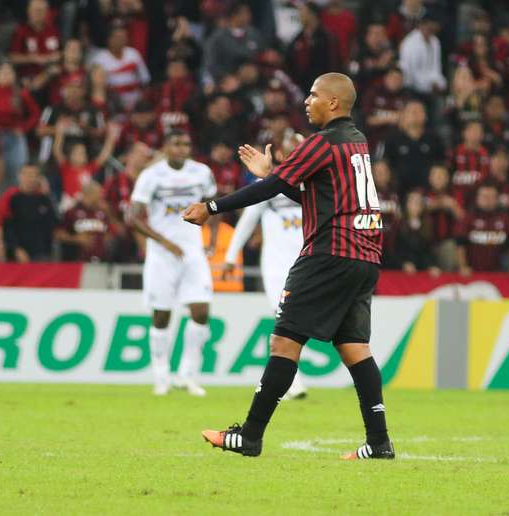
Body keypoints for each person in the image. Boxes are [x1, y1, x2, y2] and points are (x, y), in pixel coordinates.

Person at [183, 73, 394, 460]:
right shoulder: (357, 142)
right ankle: (378, 442)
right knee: (354, 347)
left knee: (284, 341)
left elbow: (268, 190)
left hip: (328, 254)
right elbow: (320, 198)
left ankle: (250, 435)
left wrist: (212, 208)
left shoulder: (323, 143)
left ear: (333, 102)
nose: (306, 101)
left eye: (313, 95)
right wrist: (275, 176)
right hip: (363, 256)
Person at [127, 129, 217, 397]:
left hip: (192, 251)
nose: (182, 148)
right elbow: (132, 217)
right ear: (166, 146)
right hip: (162, 255)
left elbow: (215, 205)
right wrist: (163, 241)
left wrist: (211, 239)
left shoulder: (201, 172)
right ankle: (161, 376)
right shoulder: (151, 176)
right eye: (177, 144)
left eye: (186, 144)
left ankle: (188, 375)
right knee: (161, 315)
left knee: (201, 311)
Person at [222, 191, 308, 400]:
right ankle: (291, 381)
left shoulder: (308, 179)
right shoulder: (267, 186)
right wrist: (231, 256)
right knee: (283, 320)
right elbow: (247, 221)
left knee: (301, 322)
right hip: (276, 266)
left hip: (307, 262)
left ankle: (285, 378)